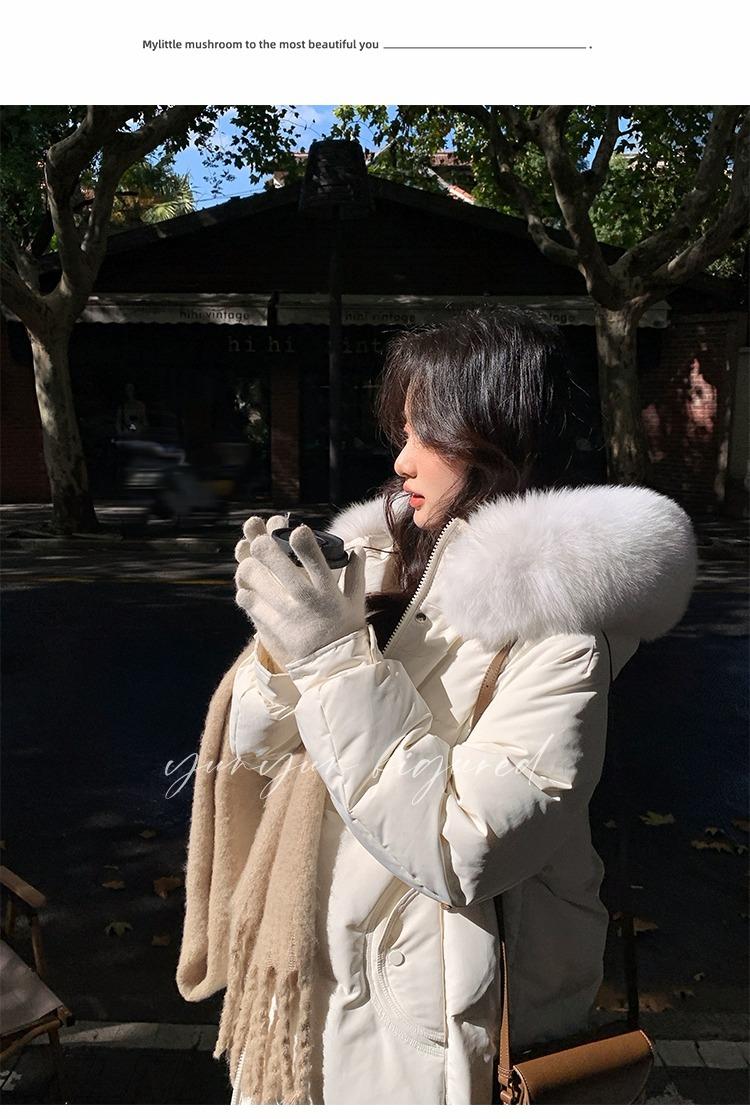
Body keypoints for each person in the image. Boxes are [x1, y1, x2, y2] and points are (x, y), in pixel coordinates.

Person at [176, 306, 697, 1105]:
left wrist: (330, 660)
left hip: (429, 1031)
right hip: (307, 985)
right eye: (402, 430)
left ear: (498, 437)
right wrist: (283, 645)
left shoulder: (562, 633)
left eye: (428, 433)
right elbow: (257, 748)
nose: (401, 458)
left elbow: (463, 847)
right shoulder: (382, 564)